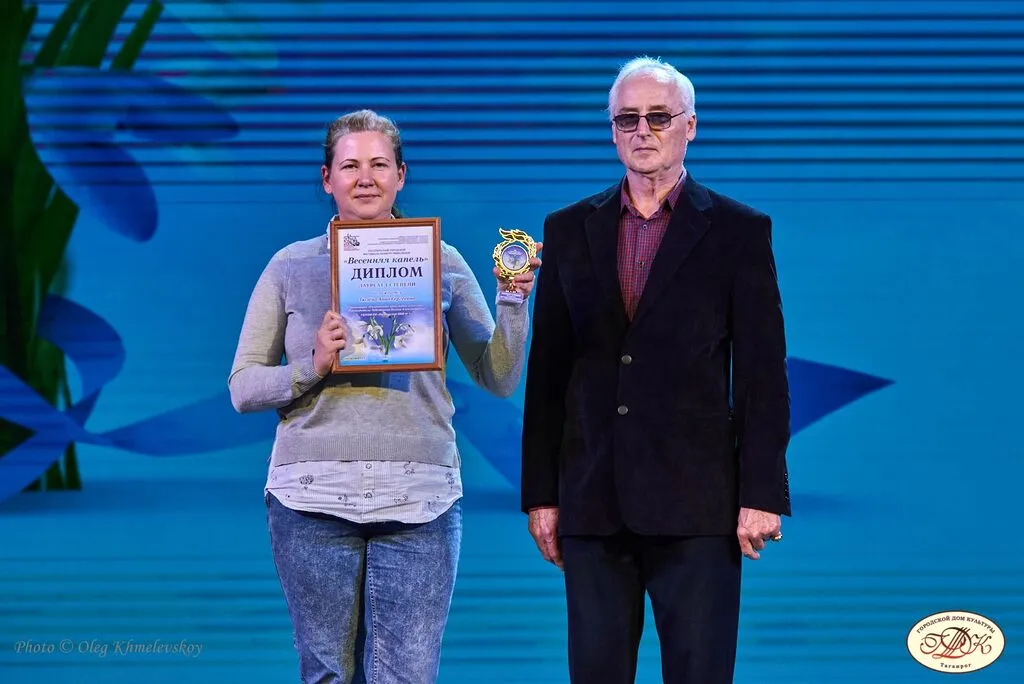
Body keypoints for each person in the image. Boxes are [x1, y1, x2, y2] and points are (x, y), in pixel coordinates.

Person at [228, 109, 540, 684]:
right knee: (327, 675)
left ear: (401, 175)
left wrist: (514, 301)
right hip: (311, 496)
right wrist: (313, 366)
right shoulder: (289, 266)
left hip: (419, 497)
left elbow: (497, 376)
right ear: (327, 178)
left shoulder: (442, 261)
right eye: (350, 166)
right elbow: (243, 387)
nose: (365, 178)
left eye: (379, 164)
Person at [520, 56, 791, 684]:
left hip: (700, 507)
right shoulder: (567, 230)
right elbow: (548, 374)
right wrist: (541, 495)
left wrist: (760, 495)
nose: (643, 130)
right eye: (628, 118)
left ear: (690, 126)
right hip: (593, 502)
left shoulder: (739, 232)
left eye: (659, 117)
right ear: (612, 130)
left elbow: (761, 374)